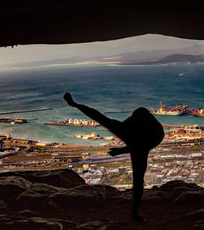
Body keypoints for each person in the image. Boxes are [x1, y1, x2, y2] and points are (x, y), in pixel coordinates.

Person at [63, 92, 164, 221]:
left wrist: (119, 151)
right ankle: (134, 212)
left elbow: (138, 146)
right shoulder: (143, 130)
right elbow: (98, 116)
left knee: (138, 179)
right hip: (137, 137)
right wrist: (76, 105)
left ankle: (134, 212)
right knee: (138, 179)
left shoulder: (153, 134)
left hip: (140, 140)